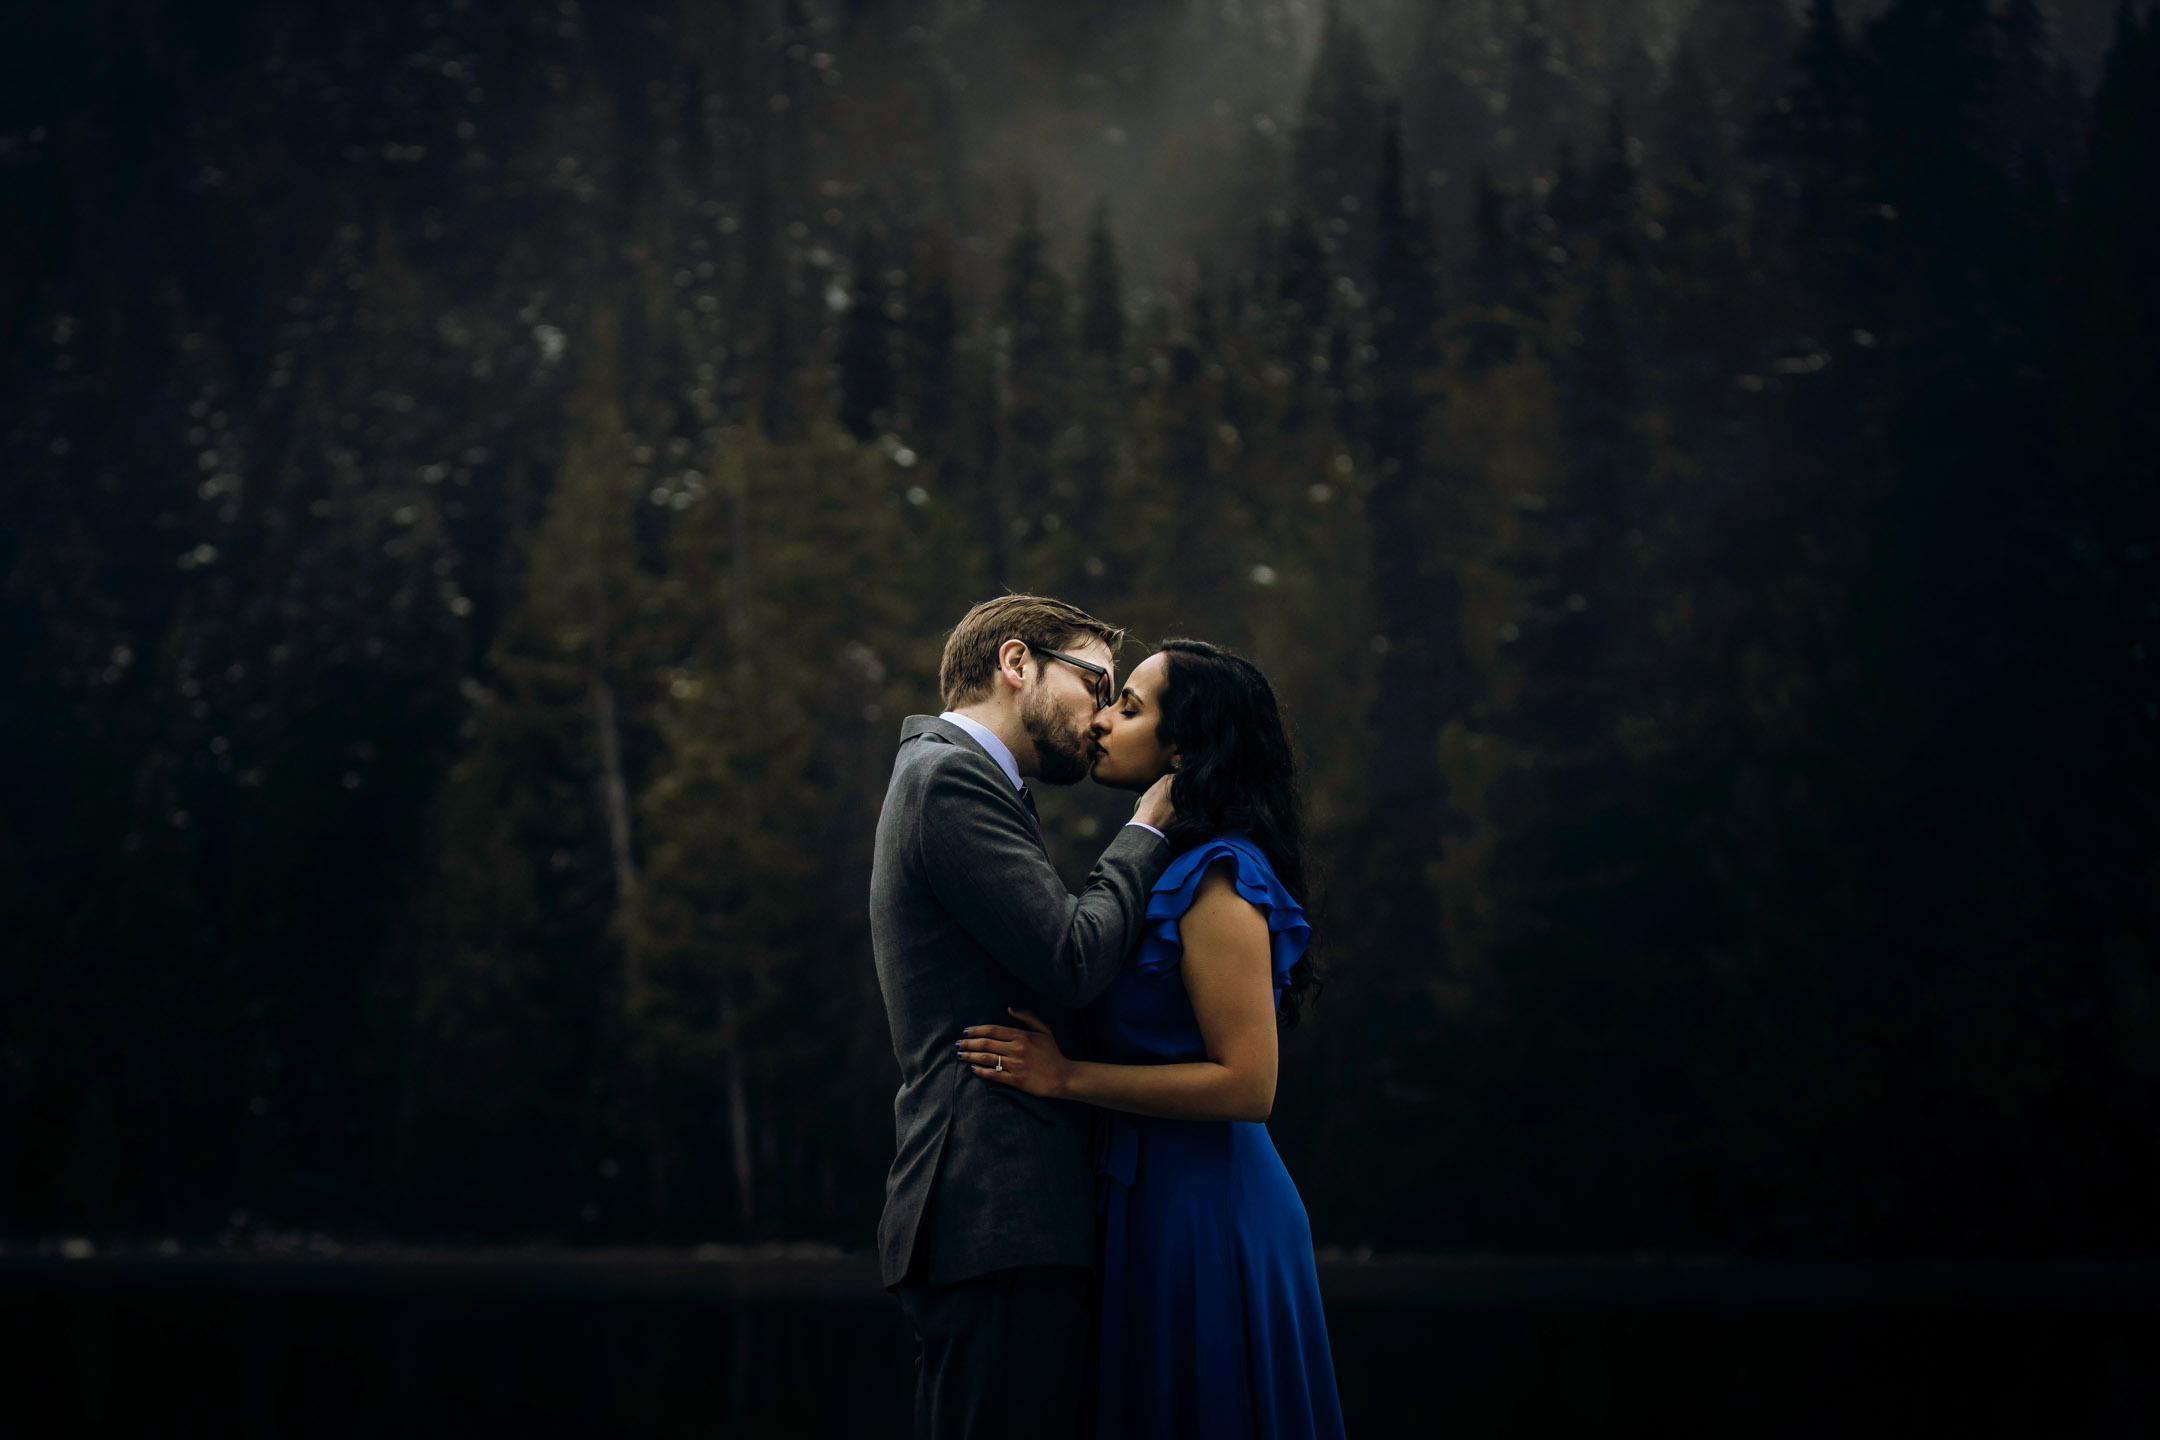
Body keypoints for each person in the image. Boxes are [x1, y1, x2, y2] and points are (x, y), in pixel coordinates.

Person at [959, 638, 1346, 1440]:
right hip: (1146, 1203)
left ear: (1186, 748)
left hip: (1208, 1214)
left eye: (1128, 707)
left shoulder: (1218, 878)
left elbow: (1248, 1086)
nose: (1099, 720)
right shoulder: (1164, 867)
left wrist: (1066, 1077)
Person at [870, 594, 1177, 1440]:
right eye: (1096, 683)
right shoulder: (949, 779)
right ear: (1016, 663)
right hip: (995, 1208)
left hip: (992, 1218)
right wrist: (1146, 828)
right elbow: (1072, 959)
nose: (1105, 715)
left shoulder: (956, 779)